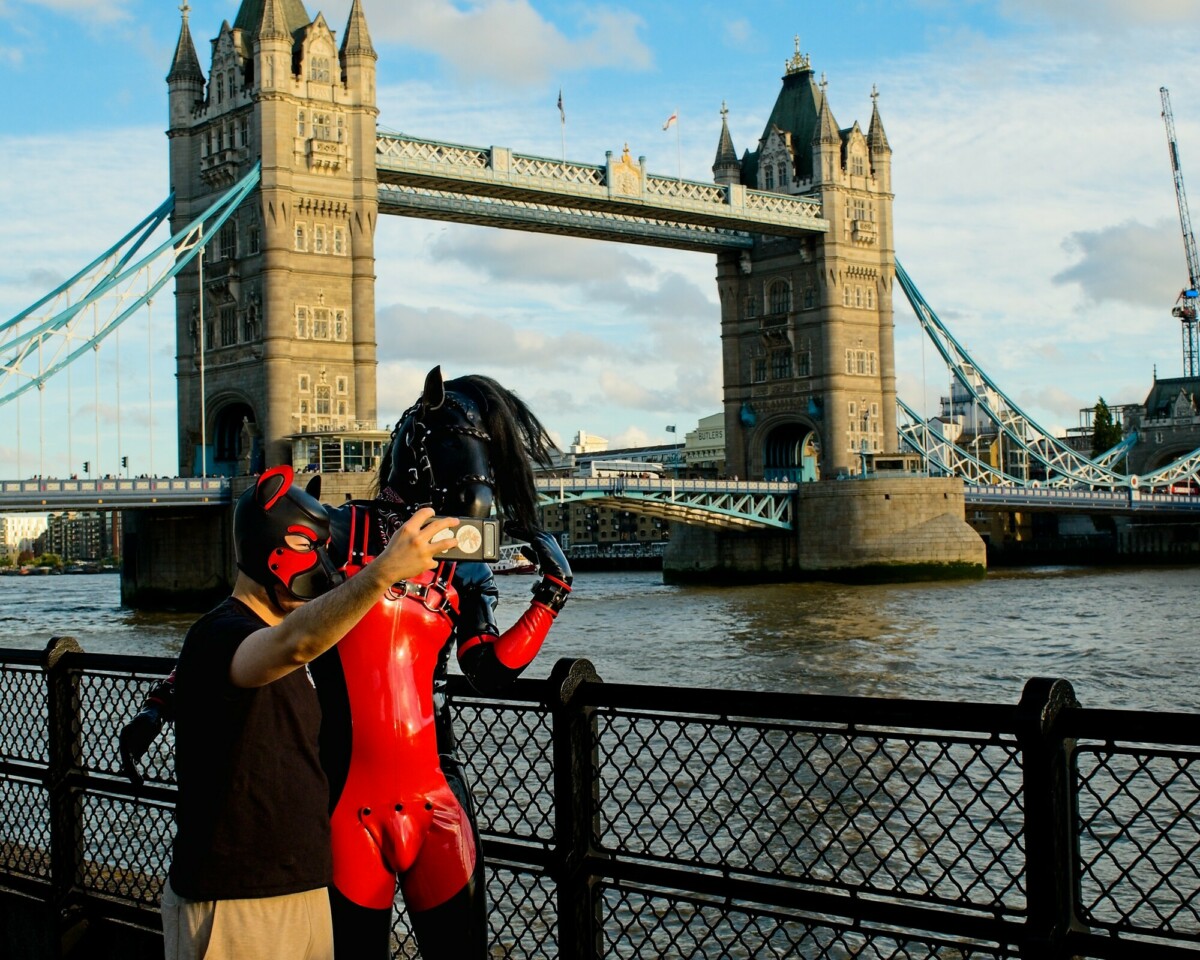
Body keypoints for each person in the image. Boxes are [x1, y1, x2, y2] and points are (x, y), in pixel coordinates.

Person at [159, 465, 458, 960]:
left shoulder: (293, 635)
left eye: (326, 548)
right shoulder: (221, 634)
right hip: (237, 898)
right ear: (265, 548)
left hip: (303, 886)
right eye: (305, 547)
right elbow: (293, 644)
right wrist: (383, 571)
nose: (321, 564)